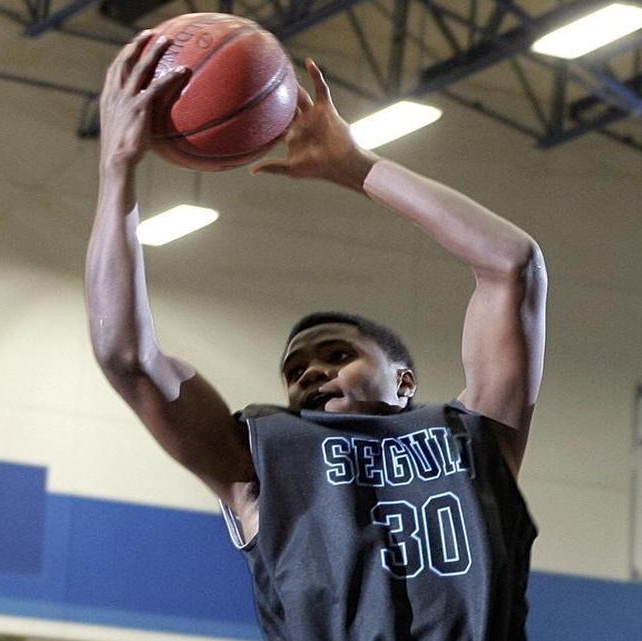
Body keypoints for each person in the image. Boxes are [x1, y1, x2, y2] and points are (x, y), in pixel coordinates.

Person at [86, 31, 547, 641]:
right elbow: (126, 355)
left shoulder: (476, 439)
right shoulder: (260, 461)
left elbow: (512, 265)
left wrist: (355, 168)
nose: (310, 372)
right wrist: (115, 169)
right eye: (296, 368)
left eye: (338, 354)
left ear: (404, 381)